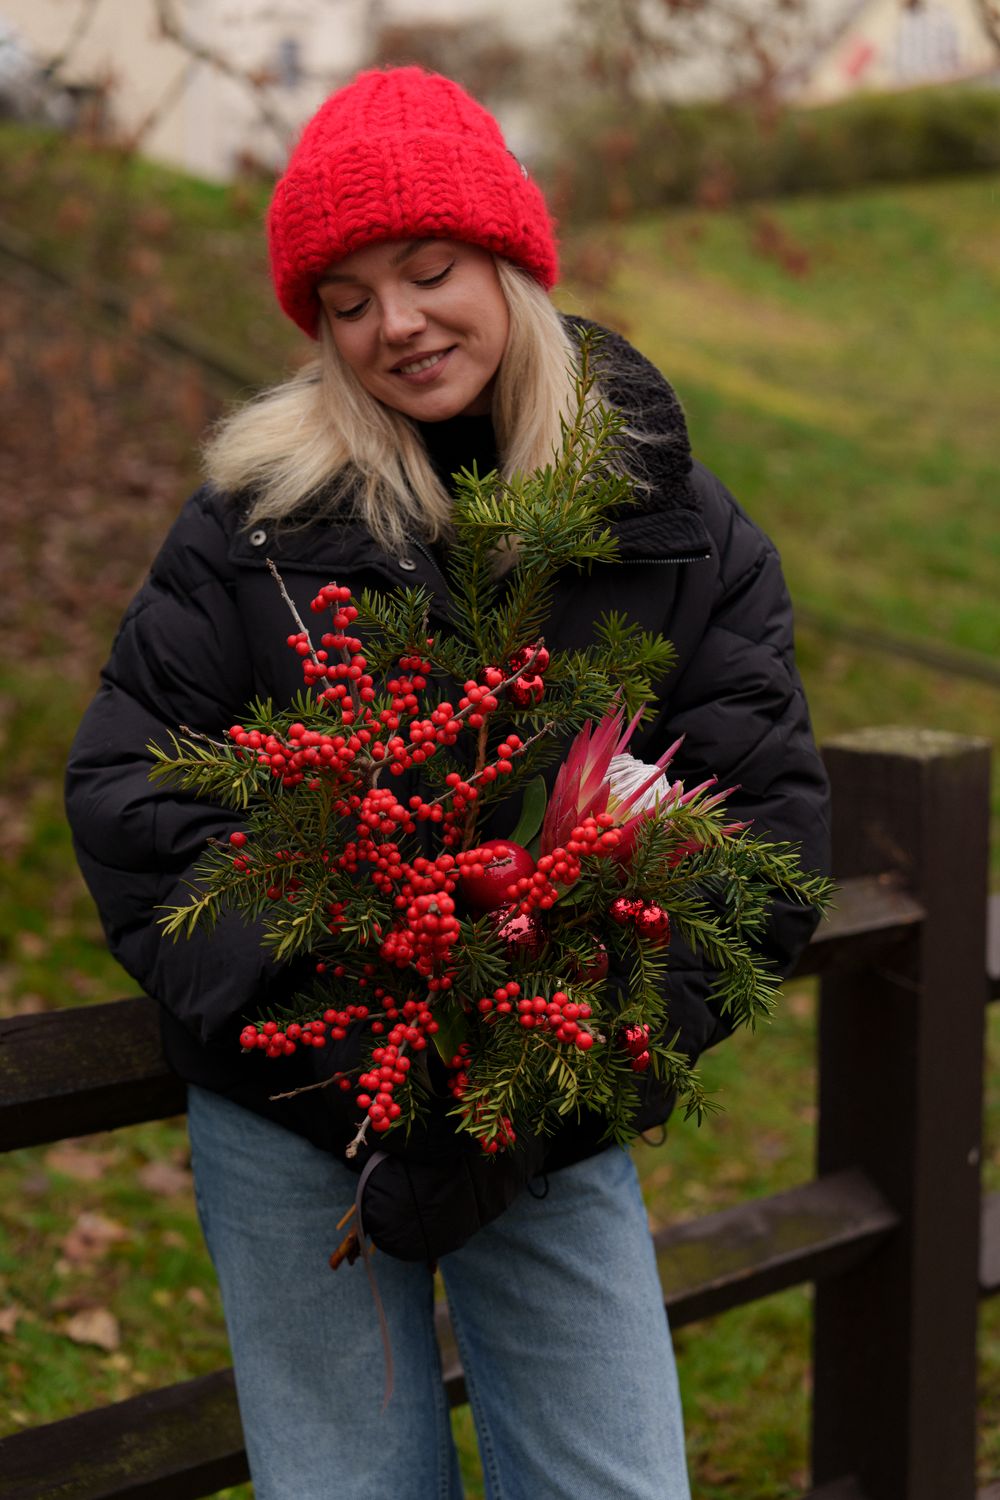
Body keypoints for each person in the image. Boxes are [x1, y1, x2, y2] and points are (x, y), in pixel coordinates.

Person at [65, 66, 830, 1500]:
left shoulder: (671, 526)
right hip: (294, 1110)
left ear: (512, 263)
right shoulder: (257, 524)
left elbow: (765, 833)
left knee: (612, 1481)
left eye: (427, 271)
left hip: (548, 1112)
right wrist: (351, 1036)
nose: (394, 324)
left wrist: (534, 1083)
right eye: (346, 301)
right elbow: (131, 797)